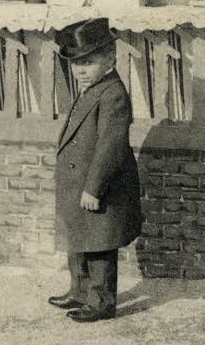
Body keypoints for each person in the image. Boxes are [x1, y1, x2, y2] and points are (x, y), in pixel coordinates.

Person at [49, 17, 143, 323]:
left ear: (110, 59)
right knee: (79, 236)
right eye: (75, 64)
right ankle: (79, 290)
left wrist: (94, 186)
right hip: (80, 179)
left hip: (100, 182)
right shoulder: (92, 87)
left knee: (99, 242)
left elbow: (111, 146)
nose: (80, 70)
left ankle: (102, 301)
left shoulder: (113, 93)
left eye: (88, 62)